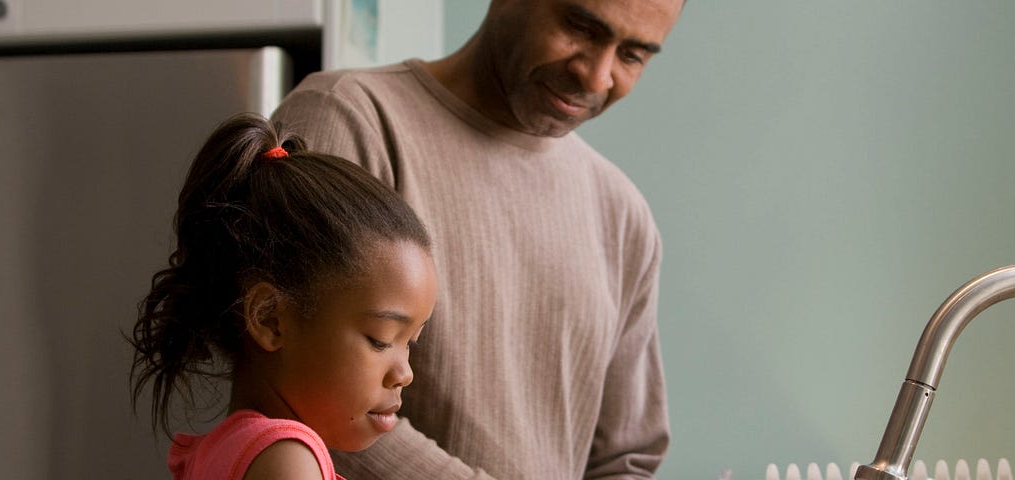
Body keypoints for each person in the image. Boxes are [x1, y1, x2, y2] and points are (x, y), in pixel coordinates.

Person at [271, 0, 684, 477]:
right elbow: (303, 390)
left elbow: (624, 459)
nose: (596, 77)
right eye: (580, 27)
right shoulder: (350, 120)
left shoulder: (622, 216)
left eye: (632, 55)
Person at [128, 113, 439, 480]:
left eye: (410, 344)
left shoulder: (229, 449)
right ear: (270, 319)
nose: (404, 374)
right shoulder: (286, 459)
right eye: (380, 340)